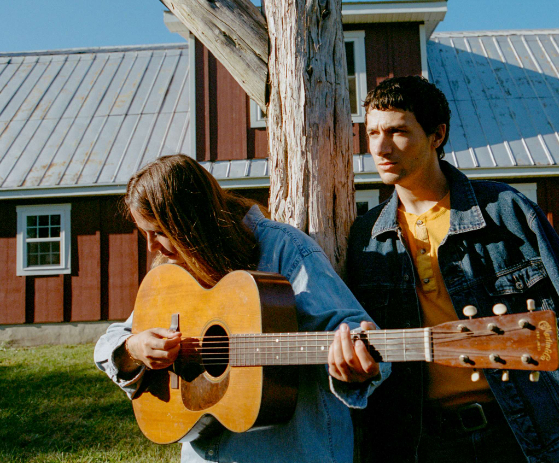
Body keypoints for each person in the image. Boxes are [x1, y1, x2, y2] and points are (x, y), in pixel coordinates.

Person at [346, 76, 559, 463]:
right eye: (372, 133)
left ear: (438, 135)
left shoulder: (507, 212)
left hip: (522, 436)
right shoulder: (364, 238)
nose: (381, 147)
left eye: (398, 131)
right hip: (422, 444)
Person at [94, 154, 387, 463]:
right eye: (145, 233)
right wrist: (133, 348)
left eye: (158, 232)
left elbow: (352, 327)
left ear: (189, 223)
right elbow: (112, 342)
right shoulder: (176, 269)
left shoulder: (284, 249)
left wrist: (358, 365)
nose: (152, 246)